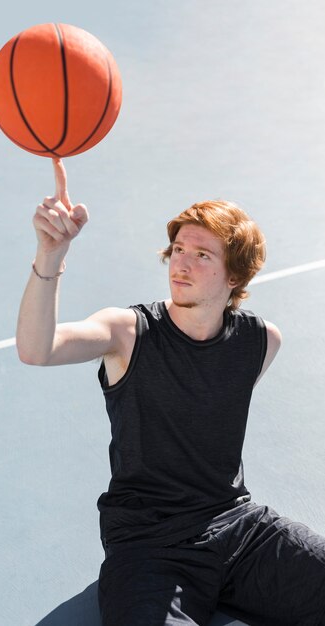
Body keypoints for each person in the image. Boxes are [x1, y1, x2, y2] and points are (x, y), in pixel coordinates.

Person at [16, 159, 325, 626]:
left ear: (236, 276)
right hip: (149, 546)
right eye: (178, 248)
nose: (180, 263)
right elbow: (37, 350)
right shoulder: (127, 332)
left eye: (202, 255)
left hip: (239, 527)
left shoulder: (260, 342)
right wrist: (50, 255)